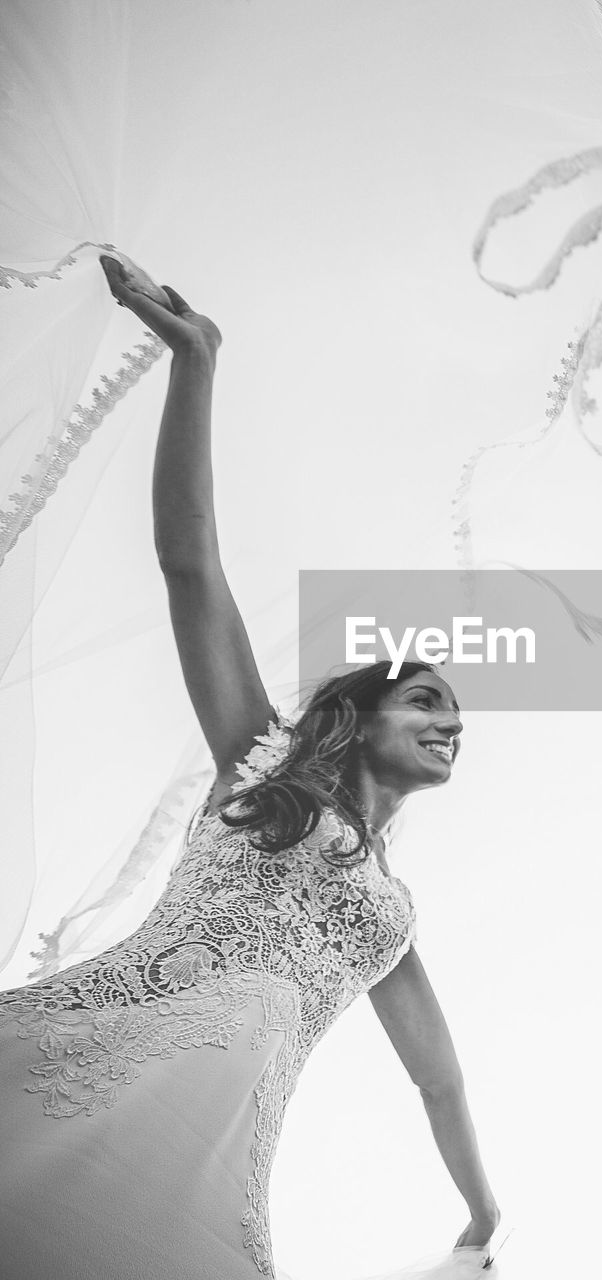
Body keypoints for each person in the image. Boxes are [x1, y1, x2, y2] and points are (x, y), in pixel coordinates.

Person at [0, 260, 501, 1280]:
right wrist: (198, 359)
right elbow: (190, 560)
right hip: (91, 1048)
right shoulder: (261, 761)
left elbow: (438, 1080)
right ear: (355, 718)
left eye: (457, 718)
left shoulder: (390, 915)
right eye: (427, 700)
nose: (451, 725)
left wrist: (482, 1212)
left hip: (206, 1159)